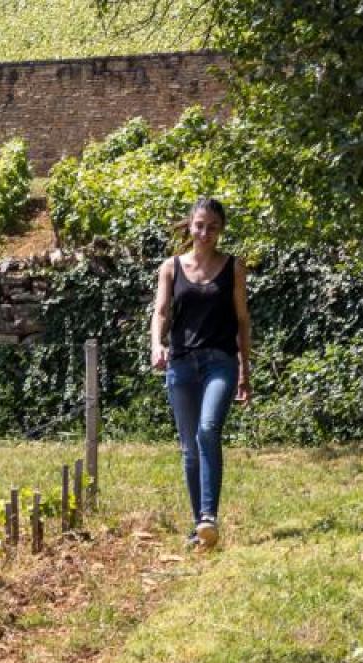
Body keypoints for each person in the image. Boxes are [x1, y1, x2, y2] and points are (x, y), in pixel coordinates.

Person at [150, 197, 251, 551]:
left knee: (208, 430)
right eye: (199, 225)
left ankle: (208, 516)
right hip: (181, 364)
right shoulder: (170, 267)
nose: (205, 232)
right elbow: (161, 311)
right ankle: (200, 528)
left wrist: (244, 370)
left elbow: (242, 321)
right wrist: (156, 345)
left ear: (220, 230)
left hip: (220, 362)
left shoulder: (234, 267)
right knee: (189, 448)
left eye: (212, 227)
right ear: (190, 226)